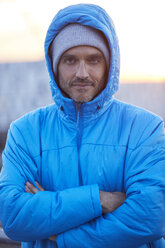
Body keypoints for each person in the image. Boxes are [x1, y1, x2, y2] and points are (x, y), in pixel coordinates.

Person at [0, 3, 165, 248]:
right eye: (70, 60)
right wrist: (100, 200)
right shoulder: (25, 132)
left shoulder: (145, 128)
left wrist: (61, 236)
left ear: (109, 64)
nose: (82, 73)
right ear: (53, 65)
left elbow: (150, 217)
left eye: (93, 59)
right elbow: (13, 216)